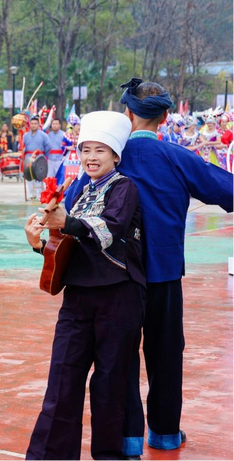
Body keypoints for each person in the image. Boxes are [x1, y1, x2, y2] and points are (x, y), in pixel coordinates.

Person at [64, 78, 234, 457]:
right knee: (166, 353)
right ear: (166, 117)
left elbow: (71, 206)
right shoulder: (177, 157)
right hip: (164, 276)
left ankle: (127, 440)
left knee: (119, 357)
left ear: (127, 114)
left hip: (116, 278)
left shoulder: (108, 159)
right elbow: (229, 191)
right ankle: (165, 433)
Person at [24, 111, 143, 460]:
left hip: (118, 296)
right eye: (85, 149)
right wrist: (38, 241)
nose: (91, 156)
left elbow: (108, 230)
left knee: (109, 383)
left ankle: (108, 455)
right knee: (62, 378)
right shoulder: (77, 189)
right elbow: (65, 245)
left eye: (100, 150)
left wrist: (67, 221)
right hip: (77, 298)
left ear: (115, 156)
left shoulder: (125, 187)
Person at [21, 117, 50, 199]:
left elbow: (48, 146)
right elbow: (22, 146)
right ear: (29, 124)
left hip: (39, 158)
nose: (33, 125)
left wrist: (43, 156)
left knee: (39, 176)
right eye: (32, 124)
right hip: (28, 158)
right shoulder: (25, 136)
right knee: (28, 175)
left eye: (35, 124)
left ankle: (40, 195)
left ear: (38, 125)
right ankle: (31, 194)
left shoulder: (43, 135)